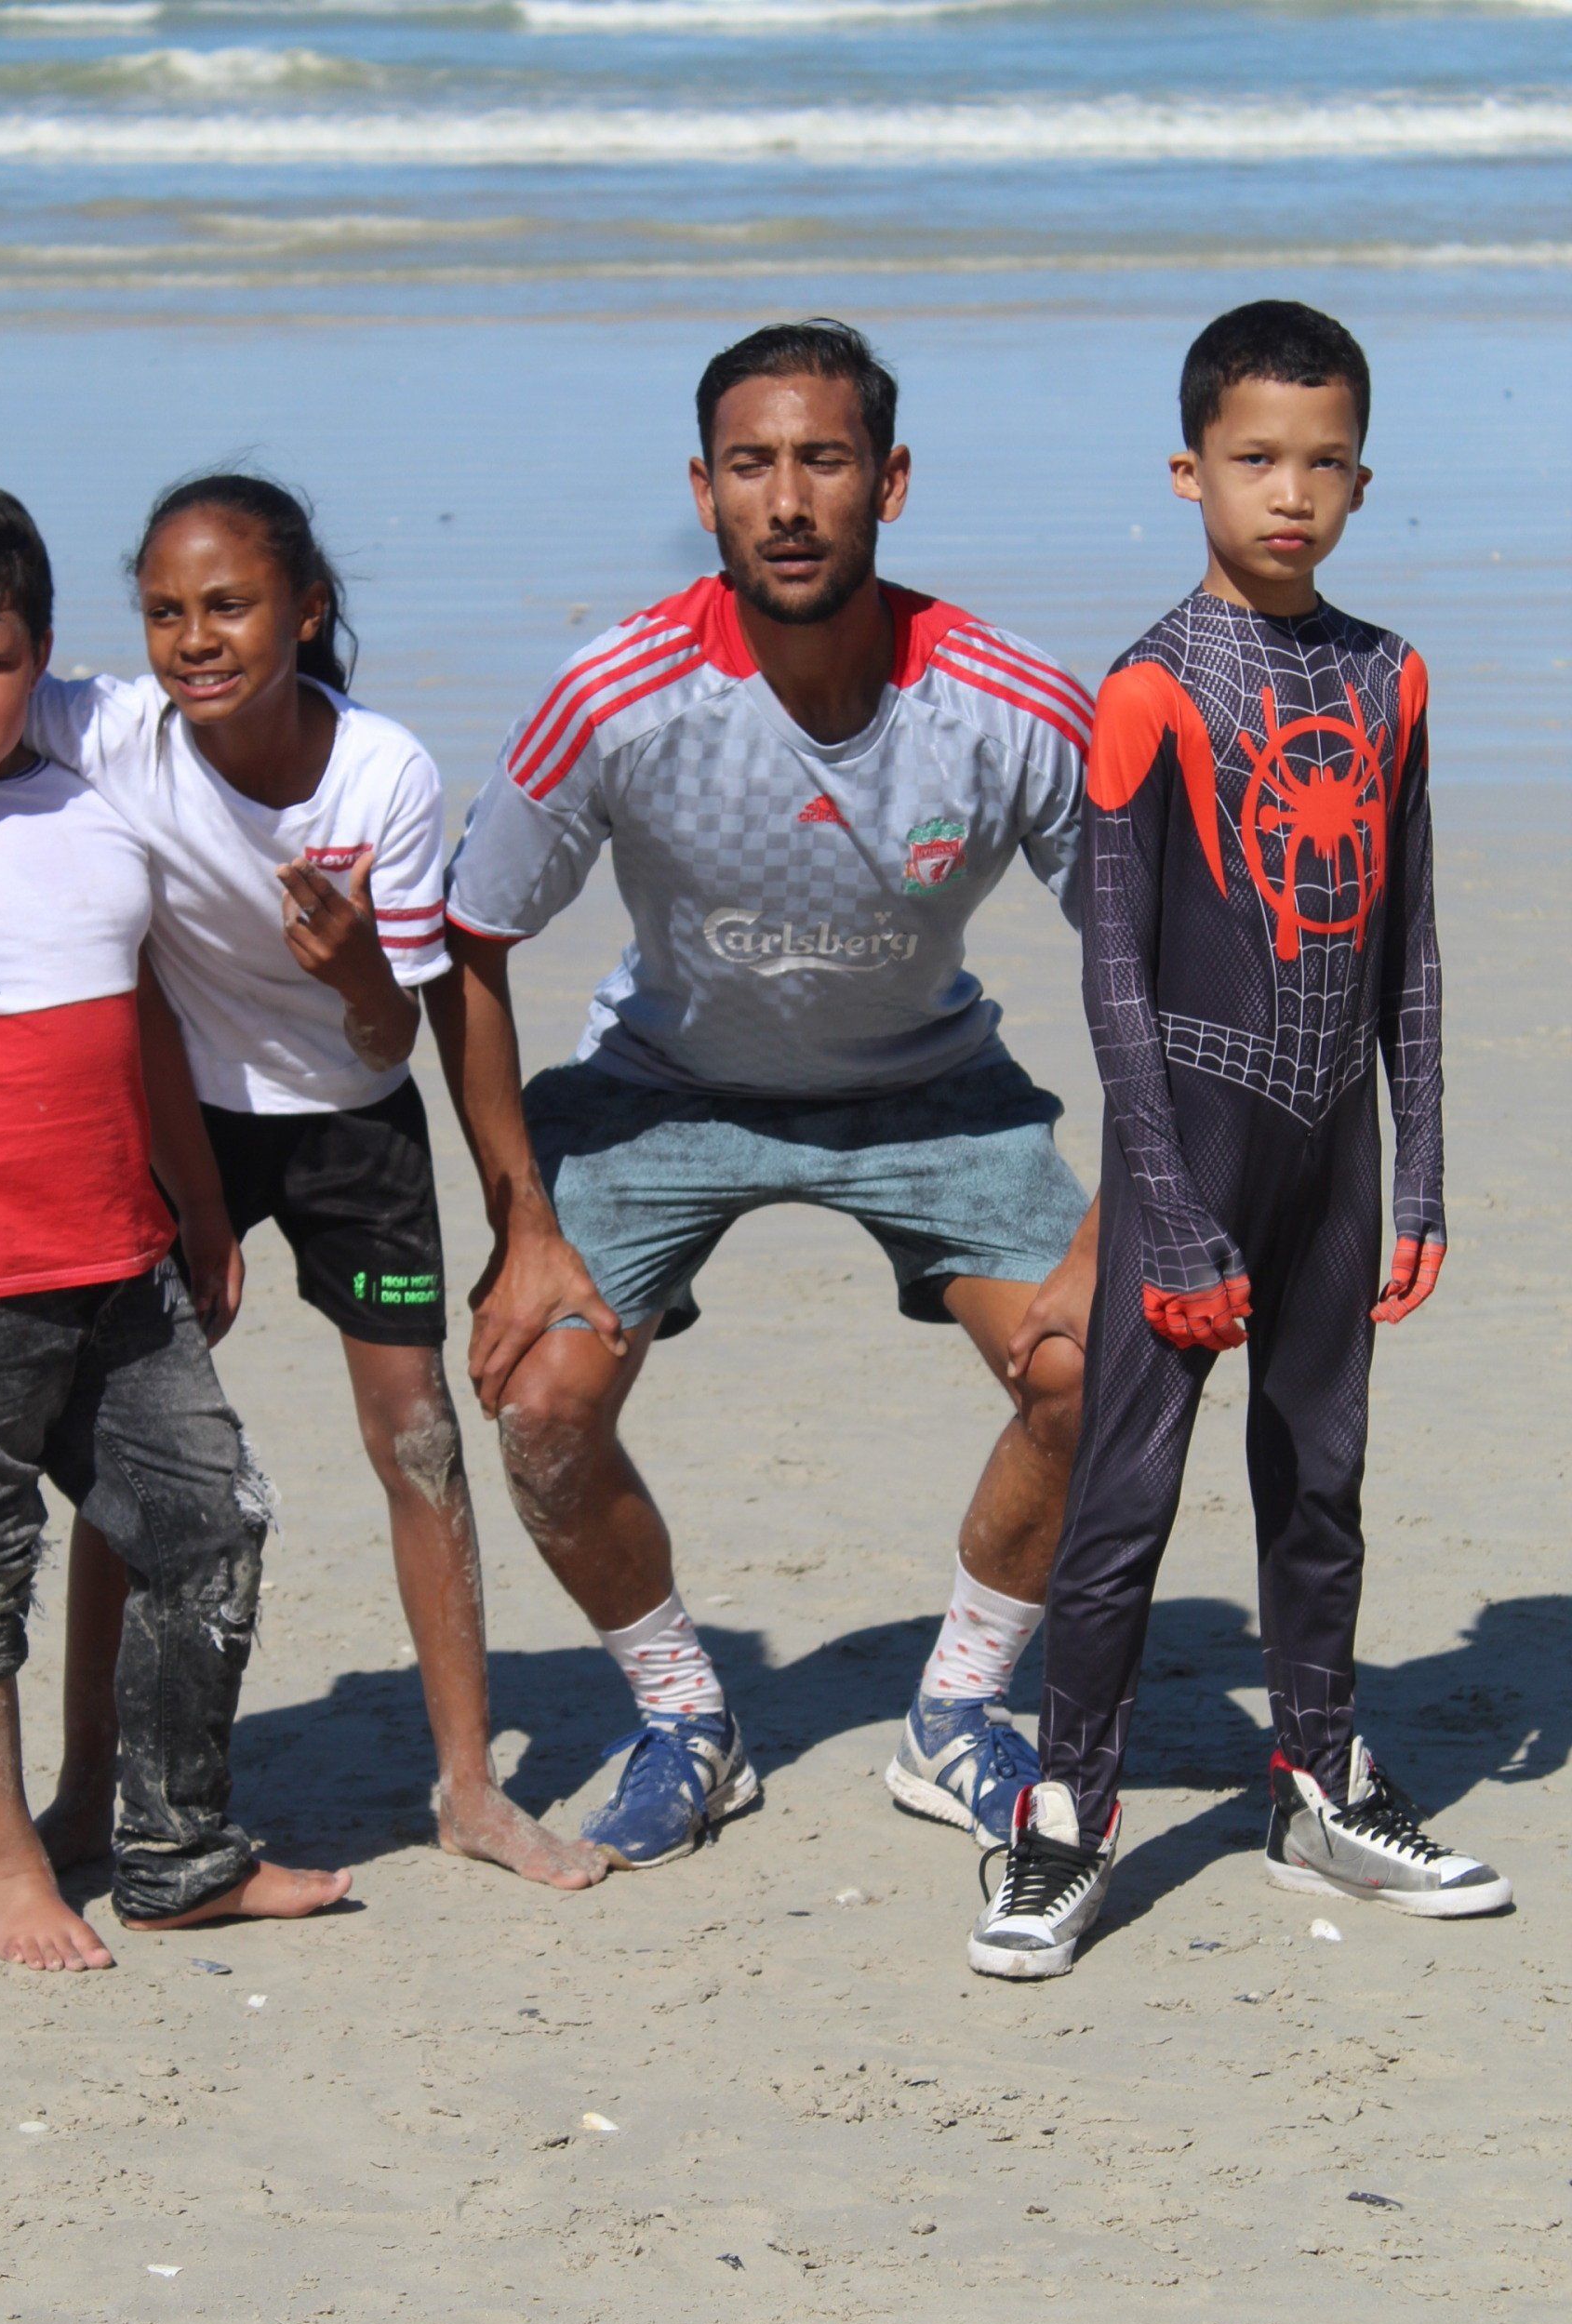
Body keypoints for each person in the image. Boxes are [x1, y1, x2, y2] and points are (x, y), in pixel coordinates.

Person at [0, 473, 607, 1894]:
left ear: (303, 611)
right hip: (178, 1116)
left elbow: (395, 1039)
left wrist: (356, 970)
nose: (196, 639)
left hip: (352, 1130)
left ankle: (466, 1786)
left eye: (231, 607)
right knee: (137, 1461)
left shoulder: (382, 777)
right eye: (165, 613)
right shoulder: (117, 729)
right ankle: (84, 1795)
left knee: (418, 1437)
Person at [433, 318, 1099, 1867]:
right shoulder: (617, 695)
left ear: (891, 480)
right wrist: (522, 1222)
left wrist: (1124, 1216)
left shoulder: (1008, 707)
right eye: (752, 466)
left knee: (1098, 1370)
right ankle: (686, 1717)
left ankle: (955, 1718)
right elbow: (468, 939)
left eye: (824, 459)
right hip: (669, 1085)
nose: (788, 498)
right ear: (706, 488)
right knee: (538, 1404)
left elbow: (1155, 961)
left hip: (932, 1089)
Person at [969, 300, 1512, 1981]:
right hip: (1188, 1143)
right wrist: (1176, 1216)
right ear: (1189, 468)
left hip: (1330, 1150)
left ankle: (1321, 1779)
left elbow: (1408, 944)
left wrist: (1417, 1164)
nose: (1292, 492)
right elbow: (1111, 975)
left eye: (1325, 461)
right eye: (1257, 459)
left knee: (1322, 1476)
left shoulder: (1389, 674)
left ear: (1362, 477)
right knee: (1125, 1492)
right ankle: (1062, 1817)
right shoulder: (1146, 688)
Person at [0, 474, 352, 1969]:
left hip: (124, 1266)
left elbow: (148, 1019)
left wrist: (201, 1205)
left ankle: (174, 1849)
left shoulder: (95, 792)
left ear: (41, 661)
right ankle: (5, 1863)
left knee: (210, 1531)